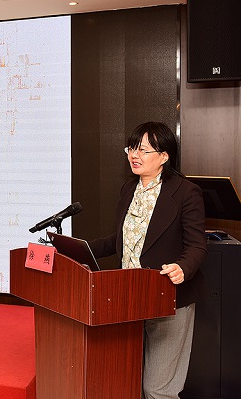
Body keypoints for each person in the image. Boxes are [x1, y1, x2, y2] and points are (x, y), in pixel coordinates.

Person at [88, 121, 207, 399]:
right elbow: (121, 239)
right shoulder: (128, 189)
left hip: (168, 297)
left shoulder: (186, 192)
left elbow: (197, 245)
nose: (134, 155)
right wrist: (80, 249)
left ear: (164, 156)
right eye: (131, 148)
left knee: (157, 389)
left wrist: (183, 267)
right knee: (126, 380)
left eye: (143, 150)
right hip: (128, 299)